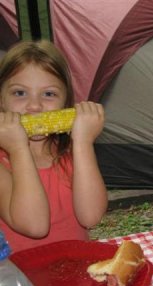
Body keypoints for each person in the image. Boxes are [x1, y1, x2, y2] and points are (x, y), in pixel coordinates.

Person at [0, 40, 108, 252]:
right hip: (22, 279)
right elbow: (35, 225)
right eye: (19, 93)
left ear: (65, 102)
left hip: (75, 271)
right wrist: (18, 149)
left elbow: (91, 217)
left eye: (49, 94)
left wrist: (83, 143)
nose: (34, 106)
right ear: (1, 101)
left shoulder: (71, 152)